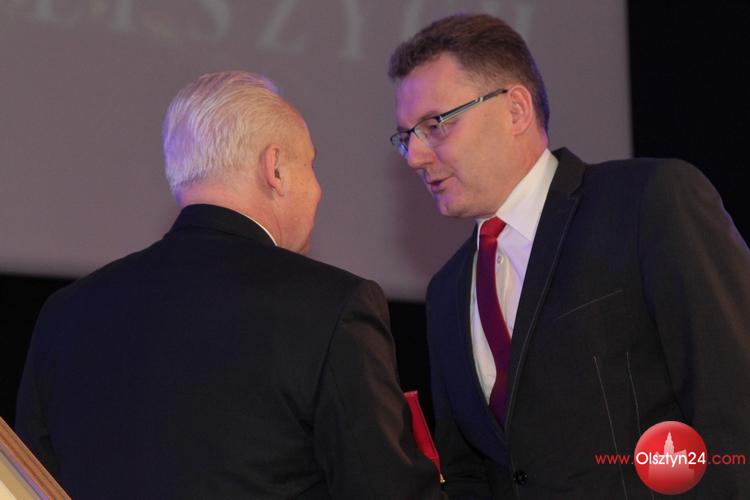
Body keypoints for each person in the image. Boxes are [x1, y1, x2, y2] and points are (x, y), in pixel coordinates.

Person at [15, 71, 444, 499]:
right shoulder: (332, 308)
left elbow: (29, 485)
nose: (318, 189)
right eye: (311, 165)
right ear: (275, 168)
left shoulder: (66, 313)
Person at [388, 14, 750, 499]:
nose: (415, 156)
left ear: (516, 110)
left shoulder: (647, 203)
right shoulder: (447, 290)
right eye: (406, 136)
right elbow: (469, 472)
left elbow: (734, 403)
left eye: (436, 125)